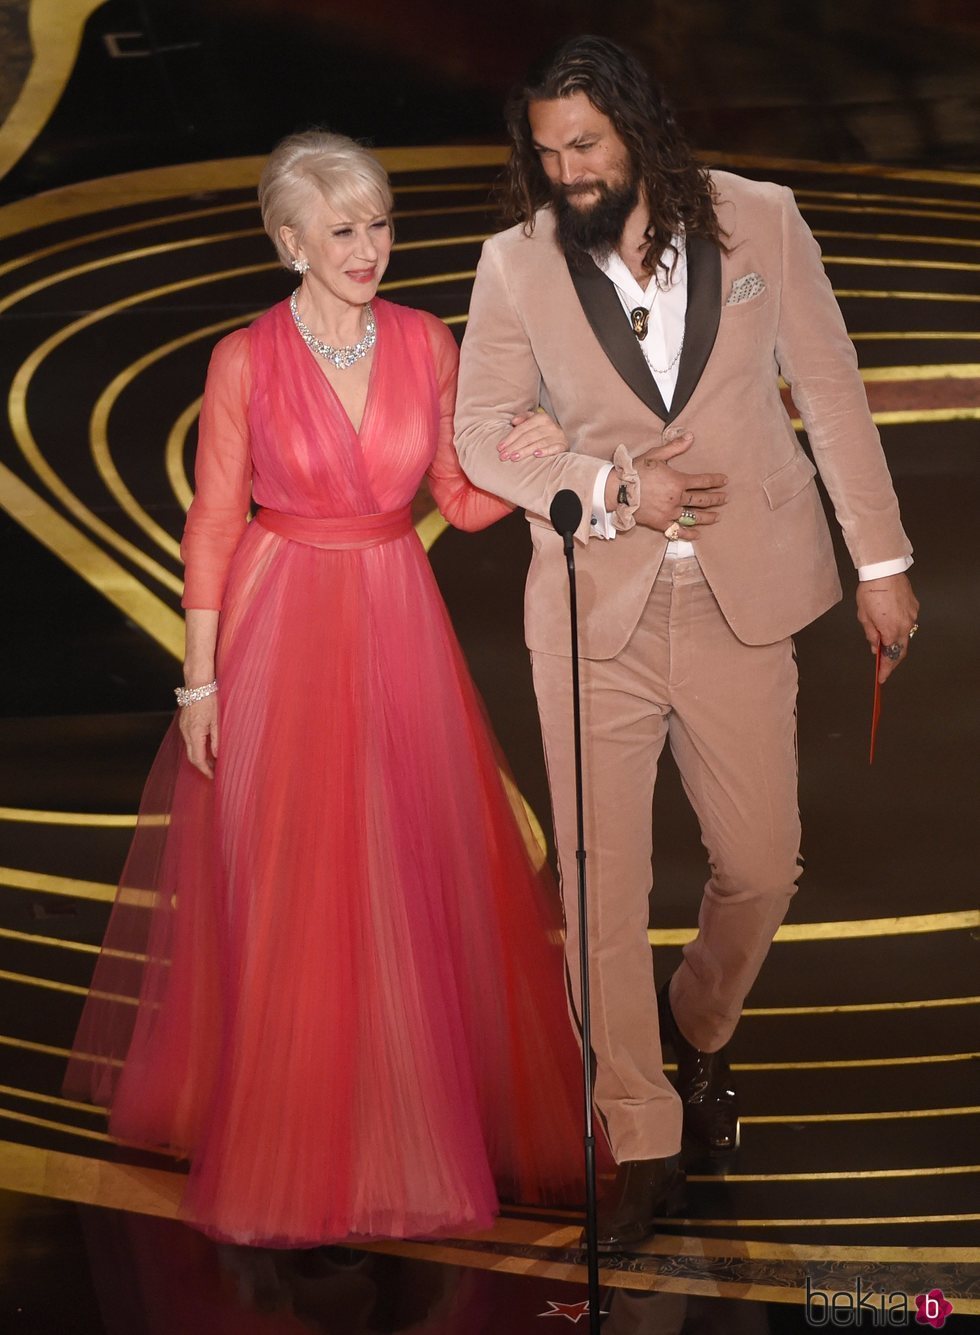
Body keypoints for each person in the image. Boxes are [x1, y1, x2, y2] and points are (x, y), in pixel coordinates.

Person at [65, 129, 590, 1247]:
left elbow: (457, 495)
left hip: (395, 611)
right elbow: (212, 520)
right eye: (343, 229)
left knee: (404, 869)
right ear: (287, 241)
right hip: (275, 619)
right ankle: (290, 1129)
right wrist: (197, 685)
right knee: (290, 882)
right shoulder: (243, 357)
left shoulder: (425, 342)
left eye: (380, 223)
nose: (369, 248)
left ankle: (405, 1128)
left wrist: (533, 451)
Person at [454, 35, 918, 1251]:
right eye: (548, 153)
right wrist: (607, 485)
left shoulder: (761, 221)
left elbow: (827, 386)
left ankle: (697, 1027)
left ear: (638, 130)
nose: (568, 172)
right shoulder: (514, 264)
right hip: (588, 606)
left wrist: (881, 563)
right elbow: (483, 432)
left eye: (588, 146)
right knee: (600, 885)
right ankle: (639, 1129)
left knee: (761, 865)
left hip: (740, 599)